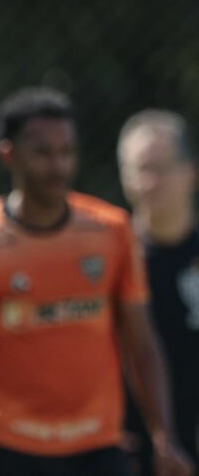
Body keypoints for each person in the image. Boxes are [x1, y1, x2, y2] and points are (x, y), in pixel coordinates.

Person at [0, 87, 194, 476]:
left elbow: (141, 342)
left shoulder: (111, 232)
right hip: (6, 446)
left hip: (97, 446)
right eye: (42, 153)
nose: (58, 165)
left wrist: (163, 437)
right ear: (9, 154)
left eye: (67, 151)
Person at [118, 109, 199, 475]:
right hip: (130, 451)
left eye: (162, 168)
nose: (151, 182)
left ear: (190, 173)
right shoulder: (107, 262)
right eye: (140, 170)